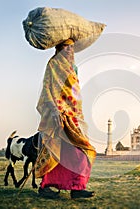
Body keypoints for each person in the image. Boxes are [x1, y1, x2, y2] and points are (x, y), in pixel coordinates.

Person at [35, 38, 96, 199]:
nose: (69, 50)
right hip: (58, 114)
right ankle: (45, 187)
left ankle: (77, 188)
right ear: (59, 49)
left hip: (74, 115)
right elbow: (47, 89)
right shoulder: (53, 65)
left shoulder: (73, 68)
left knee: (80, 151)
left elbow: (74, 92)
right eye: (65, 47)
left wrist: (77, 111)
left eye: (71, 47)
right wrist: (55, 110)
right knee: (54, 151)